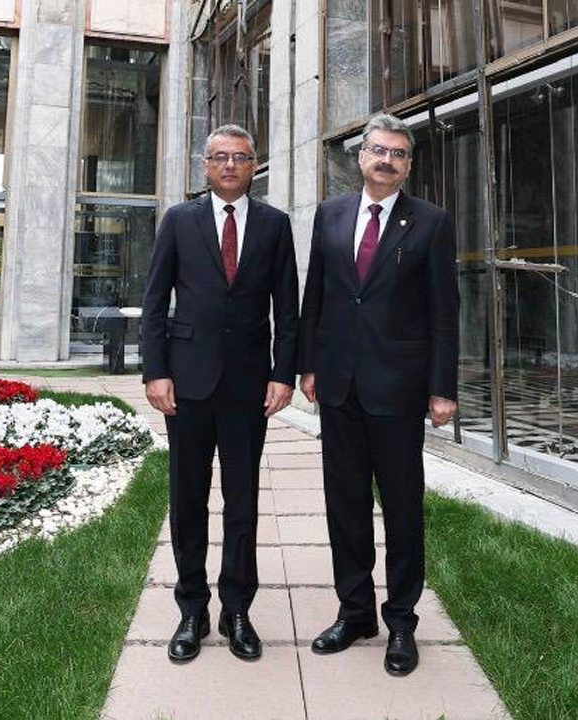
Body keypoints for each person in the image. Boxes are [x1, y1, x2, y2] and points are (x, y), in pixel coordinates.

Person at [297, 113, 459, 676]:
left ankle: (402, 622)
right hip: (338, 385)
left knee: (402, 510)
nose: (387, 160)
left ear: (408, 165)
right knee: (344, 506)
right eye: (378, 150)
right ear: (361, 156)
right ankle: (355, 613)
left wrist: (442, 387)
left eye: (398, 153)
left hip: (399, 388)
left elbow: (444, 311)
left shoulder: (431, 222)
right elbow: (316, 295)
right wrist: (308, 364)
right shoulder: (331, 214)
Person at [141, 125, 299, 663]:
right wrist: (155, 371)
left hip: (248, 385)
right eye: (220, 157)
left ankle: (237, 610)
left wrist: (283, 374)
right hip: (186, 383)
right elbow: (155, 300)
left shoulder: (275, 225)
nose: (230, 165)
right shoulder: (178, 221)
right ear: (205, 165)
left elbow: (288, 309)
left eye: (241, 157)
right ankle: (192, 610)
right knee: (187, 499)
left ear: (254, 166)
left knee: (242, 501)